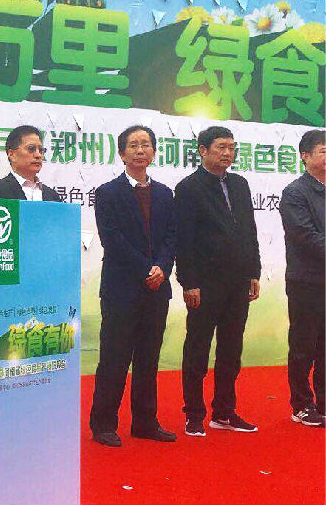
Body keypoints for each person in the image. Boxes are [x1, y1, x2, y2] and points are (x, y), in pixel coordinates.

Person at [89, 125, 177, 447]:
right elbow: (112, 239)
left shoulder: (165, 194)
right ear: (122, 153)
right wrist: (145, 269)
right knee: (114, 359)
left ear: (153, 151)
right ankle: (103, 424)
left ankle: (145, 422)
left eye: (146, 145)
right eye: (134, 145)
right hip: (122, 290)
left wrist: (161, 268)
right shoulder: (108, 192)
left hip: (157, 289)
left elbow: (172, 237)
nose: (141, 150)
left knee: (148, 360)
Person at [175, 126, 261, 437]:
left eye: (232, 147)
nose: (227, 153)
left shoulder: (240, 184)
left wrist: (254, 271)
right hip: (205, 284)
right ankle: (193, 414)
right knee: (197, 349)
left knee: (231, 350)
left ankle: (224, 412)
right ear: (203, 150)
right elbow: (183, 239)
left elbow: (249, 230)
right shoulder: (189, 188)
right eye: (221, 147)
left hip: (238, 281)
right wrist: (188, 282)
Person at [279, 128, 325, 427]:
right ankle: (302, 405)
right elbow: (304, 235)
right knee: (303, 345)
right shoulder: (295, 193)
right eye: (324, 151)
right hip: (306, 281)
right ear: (305, 156)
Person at [0, 125, 62, 201]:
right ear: (12, 154)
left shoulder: (52, 196)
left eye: (41, 150)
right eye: (31, 149)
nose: (38, 155)